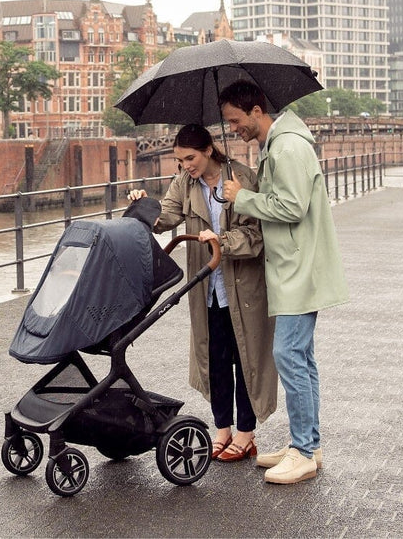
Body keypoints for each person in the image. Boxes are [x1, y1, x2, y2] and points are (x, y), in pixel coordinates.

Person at [219, 80, 348, 485]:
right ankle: (307, 442)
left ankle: (304, 451)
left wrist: (242, 198)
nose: (234, 127)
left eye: (235, 120)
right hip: (296, 267)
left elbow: (292, 207)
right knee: (301, 359)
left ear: (257, 111)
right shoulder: (278, 145)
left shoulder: (288, 147)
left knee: (289, 356)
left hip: (298, 269)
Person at [127, 123, 277, 464]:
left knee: (247, 361)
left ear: (209, 150)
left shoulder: (241, 179)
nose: (185, 166)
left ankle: (246, 433)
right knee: (216, 361)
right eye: (180, 160)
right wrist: (142, 206)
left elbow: (256, 236)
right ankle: (222, 429)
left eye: (190, 158)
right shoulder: (184, 183)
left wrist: (221, 242)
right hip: (207, 286)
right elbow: (166, 217)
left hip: (243, 288)